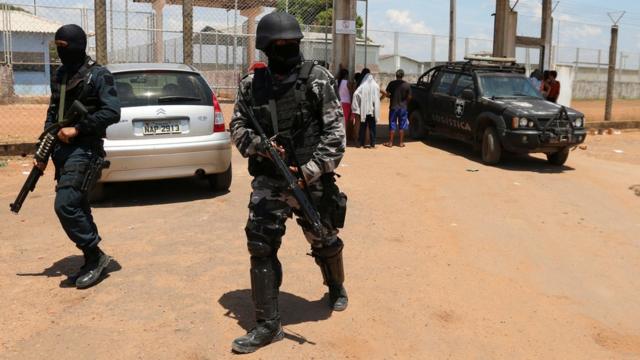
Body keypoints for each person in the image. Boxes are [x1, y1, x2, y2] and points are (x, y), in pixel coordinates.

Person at [229, 12, 348, 354]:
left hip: (311, 180)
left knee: (324, 239)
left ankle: (335, 285)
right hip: (269, 180)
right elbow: (238, 129)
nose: (287, 51)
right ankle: (268, 324)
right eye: (279, 46)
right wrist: (261, 148)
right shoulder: (252, 86)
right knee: (260, 246)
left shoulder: (318, 80)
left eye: (292, 45)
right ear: (267, 48)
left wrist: (308, 171)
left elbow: (335, 137)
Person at [35, 24, 120, 289]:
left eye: (65, 47)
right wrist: (43, 151)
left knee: (65, 204)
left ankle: (96, 255)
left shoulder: (98, 75)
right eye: (58, 47)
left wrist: (78, 128)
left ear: (78, 46)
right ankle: (91, 258)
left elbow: (112, 112)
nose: (61, 53)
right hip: (61, 150)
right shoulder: (60, 74)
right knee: (78, 204)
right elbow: (52, 113)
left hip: (86, 148)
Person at [382, 69, 411, 147]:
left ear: (396, 75)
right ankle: (401, 143)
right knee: (402, 125)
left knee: (392, 124)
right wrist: (405, 103)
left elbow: (387, 94)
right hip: (403, 108)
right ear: (403, 75)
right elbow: (409, 97)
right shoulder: (407, 85)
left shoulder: (391, 83)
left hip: (393, 107)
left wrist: (389, 96)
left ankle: (390, 142)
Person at [352, 69, 380, 148]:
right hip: (372, 111)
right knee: (372, 128)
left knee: (363, 127)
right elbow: (377, 97)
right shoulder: (375, 86)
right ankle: (372, 144)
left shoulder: (362, 86)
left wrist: (356, 106)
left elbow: (355, 94)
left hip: (363, 110)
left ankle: (361, 143)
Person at [336, 68, 354, 142]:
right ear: (346, 75)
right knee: (345, 122)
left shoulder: (337, 82)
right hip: (346, 103)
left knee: (338, 121)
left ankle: (338, 137)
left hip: (339, 103)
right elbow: (351, 93)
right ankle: (344, 138)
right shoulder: (348, 83)